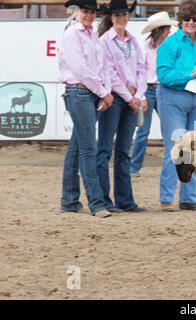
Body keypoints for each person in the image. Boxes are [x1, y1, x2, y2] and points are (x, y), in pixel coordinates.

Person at [156, 0, 196, 212]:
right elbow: (163, 75)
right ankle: (166, 198)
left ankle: (188, 198)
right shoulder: (169, 44)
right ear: (180, 20)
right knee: (175, 148)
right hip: (172, 98)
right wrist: (190, 74)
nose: (191, 22)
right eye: (187, 18)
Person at [58, 0, 113, 218]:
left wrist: (103, 91)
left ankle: (69, 200)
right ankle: (97, 203)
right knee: (89, 149)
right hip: (79, 92)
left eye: (92, 12)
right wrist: (103, 92)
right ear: (78, 12)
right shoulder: (72, 34)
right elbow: (80, 69)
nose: (89, 15)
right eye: (86, 11)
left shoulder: (92, 36)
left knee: (77, 148)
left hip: (87, 93)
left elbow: (101, 66)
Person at [96, 0, 148, 212]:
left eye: (124, 14)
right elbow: (109, 73)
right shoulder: (104, 41)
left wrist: (139, 94)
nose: (120, 18)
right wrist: (130, 98)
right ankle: (105, 201)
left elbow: (142, 69)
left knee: (123, 151)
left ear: (128, 16)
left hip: (131, 98)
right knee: (105, 149)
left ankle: (125, 201)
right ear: (110, 17)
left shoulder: (133, 41)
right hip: (116, 97)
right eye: (116, 15)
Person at [129, 12, 179, 178]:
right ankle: (133, 168)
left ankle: (171, 166)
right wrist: (141, 96)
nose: (168, 32)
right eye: (166, 29)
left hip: (164, 89)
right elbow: (140, 73)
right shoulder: (144, 47)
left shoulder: (168, 47)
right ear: (160, 30)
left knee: (170, 130)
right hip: (149, 90)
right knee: (143, 131)